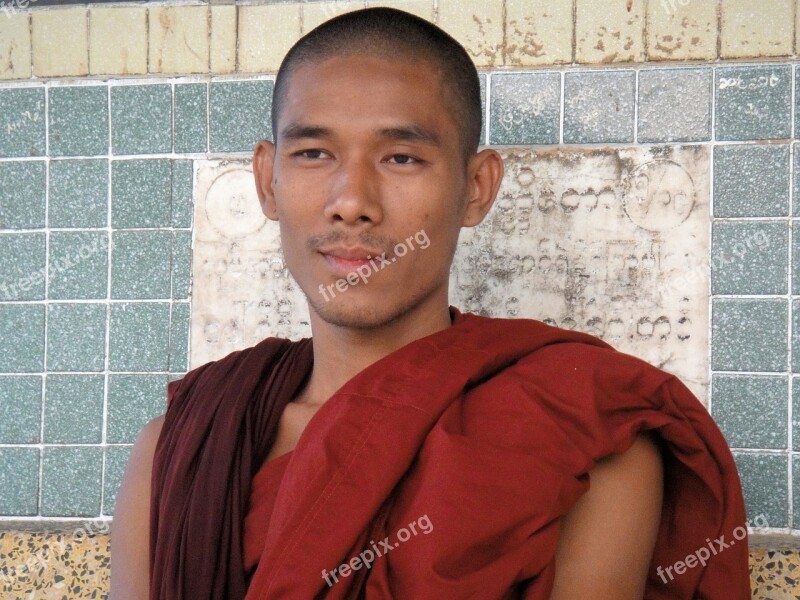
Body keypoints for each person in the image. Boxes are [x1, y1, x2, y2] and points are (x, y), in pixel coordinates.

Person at [111, 7, 750, 599]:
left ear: (477, 188)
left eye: (401, 156)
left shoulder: (583, 436)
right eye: (312, 153)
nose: (351, 199)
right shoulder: (181, 448)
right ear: (267, 182)